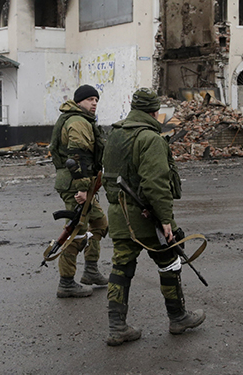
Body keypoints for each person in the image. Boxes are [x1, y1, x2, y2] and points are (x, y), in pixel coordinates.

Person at [101, 88, 205, 346]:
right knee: (169, 261)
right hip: (146, 218)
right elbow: (156, 184)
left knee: (121, 267)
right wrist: (166, 220)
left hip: (118, 213)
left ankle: (117, 327)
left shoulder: (115, 133)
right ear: (155, 112)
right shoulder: (151, 139)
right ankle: (178, 317)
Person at [49, 84, 109, 298]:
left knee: (99, 224)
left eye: (96, 100)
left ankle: (91, 270)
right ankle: (66, 282)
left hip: (83, 183)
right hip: (76, 184)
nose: (94, 103)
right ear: (79, 101)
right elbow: (77, 157)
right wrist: (83, 189)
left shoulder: (82, 119)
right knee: (77, 232)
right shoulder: (77, 121)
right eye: (90, 99)